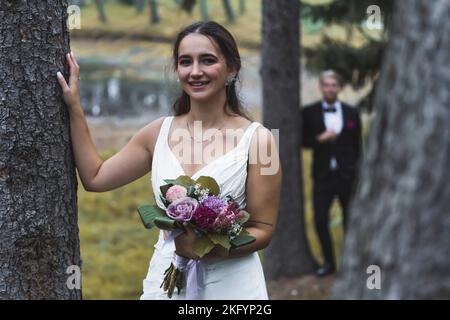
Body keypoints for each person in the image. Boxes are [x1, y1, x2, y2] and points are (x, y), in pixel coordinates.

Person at [57, 21, 282, 299]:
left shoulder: (263, 140)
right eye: (185, 62)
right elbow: (95, 177)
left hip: (232, 287)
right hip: (167, 282)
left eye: (208, 60)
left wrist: (206, 248)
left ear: (232, 69)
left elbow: (263, 229)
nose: (195, 71)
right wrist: (75, 106)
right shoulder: (156, 133)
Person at [302, 70, 362, 277]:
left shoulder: (352, 112)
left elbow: (357, 146)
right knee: (320, 220)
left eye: (334, 85)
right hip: (323, 176)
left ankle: (351, 264)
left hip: (347, 175)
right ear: (321, 87)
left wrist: (357, 171)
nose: (330, 88)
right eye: (326, 84)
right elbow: (302, 140)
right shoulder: (309, 112)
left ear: (339, 87)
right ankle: (329, 263)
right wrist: (320, 139)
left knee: (351, 221)